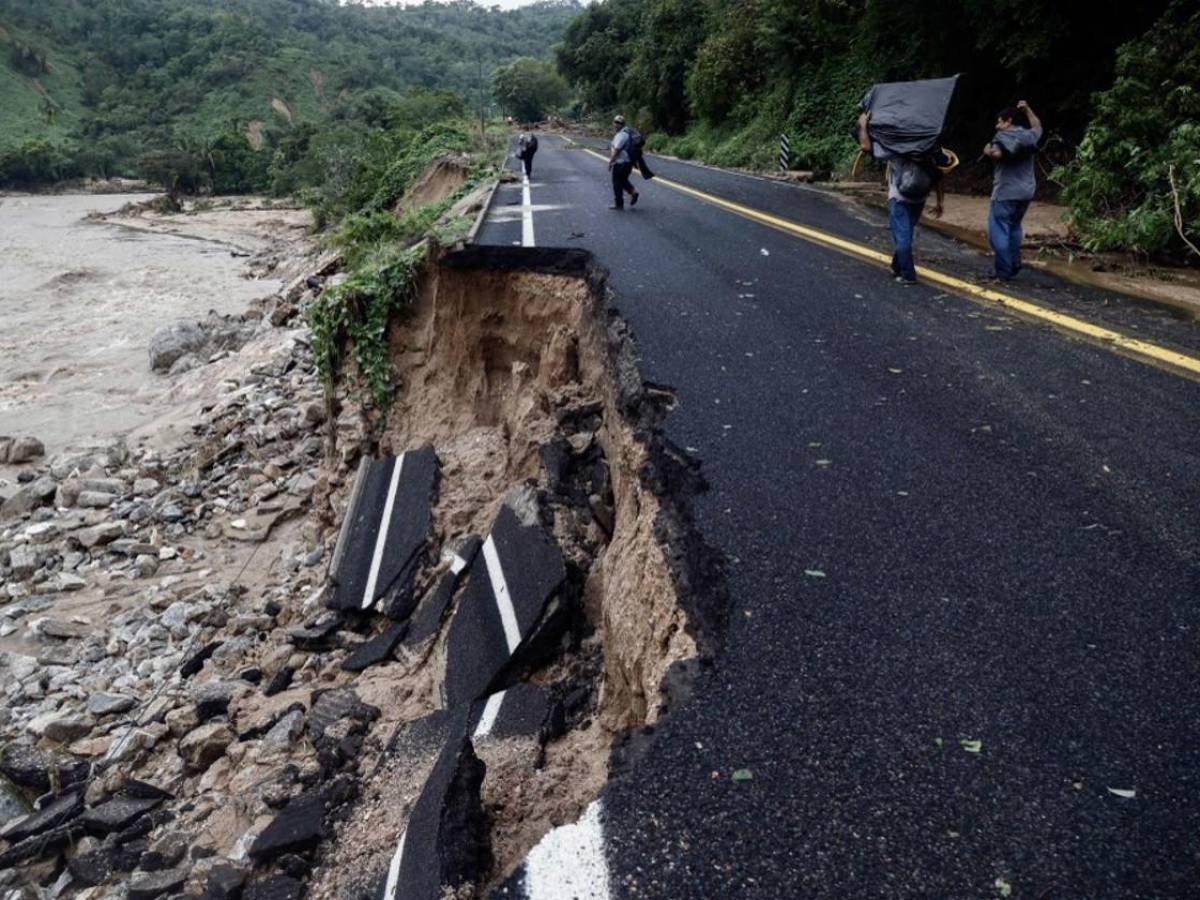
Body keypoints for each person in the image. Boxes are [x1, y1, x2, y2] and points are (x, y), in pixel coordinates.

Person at [859, 111, 948, 284]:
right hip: (919, 199)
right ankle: (897, 266)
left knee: (902, 236)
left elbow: (866, 147)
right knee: (904, 233)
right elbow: (940, 177)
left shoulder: (897, 147)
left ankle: (908, 274)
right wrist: (939, 202)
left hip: (899, 198)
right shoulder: (932, 150)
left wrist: (863, 125)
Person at [983, 100, 1042, 280]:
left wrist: (988, 152)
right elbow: (1038, 127)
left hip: (1005, 192)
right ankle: (1015, 261)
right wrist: (1028, 109)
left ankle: (1003, 270)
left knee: (997, 231)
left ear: (1008, 121)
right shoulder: (1028, 136)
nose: (997, 125)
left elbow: (998, 154)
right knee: (1015, 226)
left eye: (1000, 121)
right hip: (1026, 191)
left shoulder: (1002, 137)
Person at [607, 115, 638, 210]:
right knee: (623, 180)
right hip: (626, 162)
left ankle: (619, 204)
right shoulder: (624, 133)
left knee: (617, 183)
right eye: (615, 122)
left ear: (622, 124)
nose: (616, 124)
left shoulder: (622, 135)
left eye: (618, 123)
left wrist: (610, 162)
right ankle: (633, 192)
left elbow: (617, 150)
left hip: (621, 163)